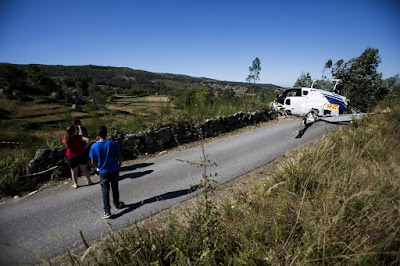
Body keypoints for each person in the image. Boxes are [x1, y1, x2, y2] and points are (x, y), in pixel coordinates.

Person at [89, 126, 125, 218]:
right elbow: (120, 155)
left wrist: (97, 168)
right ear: (106, 133)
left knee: (105, 190)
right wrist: (119, 164)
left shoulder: (94, 146)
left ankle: (107, 211)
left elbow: (92, 162)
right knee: (115, 188)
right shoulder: (112, 143)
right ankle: (117, 204)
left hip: (103, 171)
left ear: (97, 134)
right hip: (113, 169)